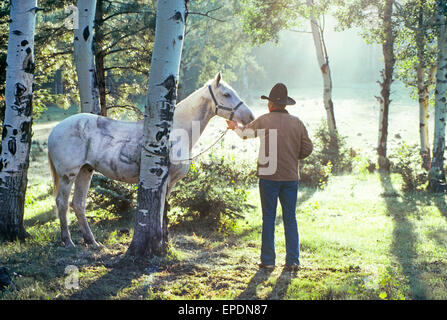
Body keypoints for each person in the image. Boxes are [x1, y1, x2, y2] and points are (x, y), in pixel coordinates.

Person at [226, 83, 313, 271]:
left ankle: (268, 260)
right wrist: (291, 156)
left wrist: (234, 126)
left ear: (271, 104)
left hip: (268, 177)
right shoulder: (297, 122)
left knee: (269, 218)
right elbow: (308, 148)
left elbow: (244, 134)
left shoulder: (264, 120)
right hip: (290, 177)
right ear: (285, 105)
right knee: (290, 218)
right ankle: (293, 261)